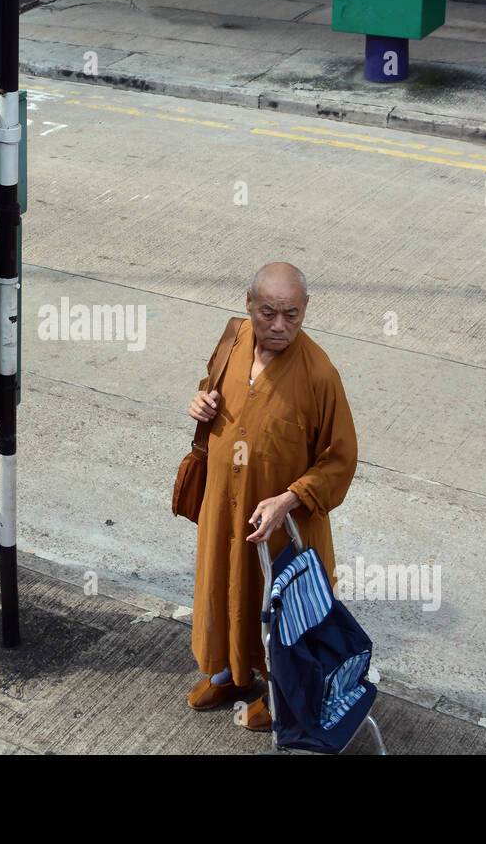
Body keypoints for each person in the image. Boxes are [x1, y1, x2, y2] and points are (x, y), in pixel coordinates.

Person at [185, 262, 358, 731]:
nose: (279, 326)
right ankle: (229, 675)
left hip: (284, 526)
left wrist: (288, 499)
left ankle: (282, 700)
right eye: (268, 313)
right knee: (223, 587)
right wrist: (200, 402)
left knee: (284, 613)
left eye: (291, 315)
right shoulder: (235, 339)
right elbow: (213, 391)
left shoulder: (320, 375)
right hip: (225, 507)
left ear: (305, 312)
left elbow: (340, 461)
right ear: (248, 303)